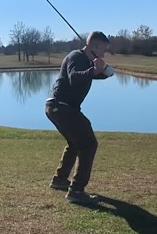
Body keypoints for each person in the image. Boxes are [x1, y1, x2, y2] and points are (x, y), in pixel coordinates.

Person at [44, 31, 112, 204]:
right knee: (88, 144)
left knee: (75, 144)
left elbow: (90, 75)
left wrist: (105, 72)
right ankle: (76, 191)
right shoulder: (77, 57)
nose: (104, 53)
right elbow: (75, 77)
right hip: (62, 107)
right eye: (103, 49)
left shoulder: (85, 61)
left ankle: (60, 180)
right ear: (95, 46)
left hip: (59, 108)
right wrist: (94, 70)